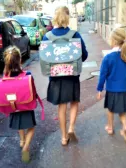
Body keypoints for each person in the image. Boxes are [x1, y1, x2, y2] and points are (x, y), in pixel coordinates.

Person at [42, 6, 88, 146]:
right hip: (72, 75)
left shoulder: (47, 36)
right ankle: (71, 128)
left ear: (55, 17)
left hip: (56, 78)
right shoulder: (75, 35)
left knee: (61, 107)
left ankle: (63, 137)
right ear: (67, 17)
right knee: (74, 102)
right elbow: (84, 55)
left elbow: (43, 58)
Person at [96, 27, 126, 143]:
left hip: (112, 89)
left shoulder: (108, 58)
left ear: (113, 41)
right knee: (122, 110)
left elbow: (102, 75)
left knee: (110, 109)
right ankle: (125, 127)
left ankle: (110, 127)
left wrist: (99, 89)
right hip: (123, 89)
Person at [3, 46, 37, 163]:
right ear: (20, 60)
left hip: (14, 107)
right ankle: (26, 147)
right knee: (31, 128)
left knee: (20, 126)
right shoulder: (27, 75)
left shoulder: (5, 78)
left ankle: (22, 141)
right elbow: (32, 92)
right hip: (26, 107)